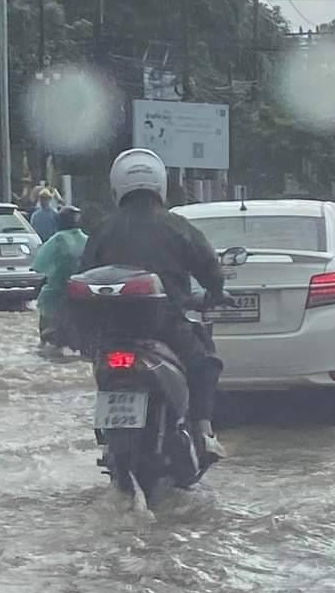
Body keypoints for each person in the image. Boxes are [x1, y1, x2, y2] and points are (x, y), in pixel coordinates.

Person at [79, 148, 231, 460]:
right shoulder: (177, 226)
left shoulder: (103, 230)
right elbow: (209, 267)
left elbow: (82, 274)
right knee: (206, 362)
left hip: (112, 331)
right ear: (160, 185)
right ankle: (204, 431)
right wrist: (216, 292)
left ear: (117, 187)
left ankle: (108, 439)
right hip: (165, 326)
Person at [32, 205, 87, 357]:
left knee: (45, 308)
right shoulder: (87, 239)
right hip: (81, 291)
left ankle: (46, 342)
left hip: (56, 291)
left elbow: (39, 265)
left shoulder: (57, 239)